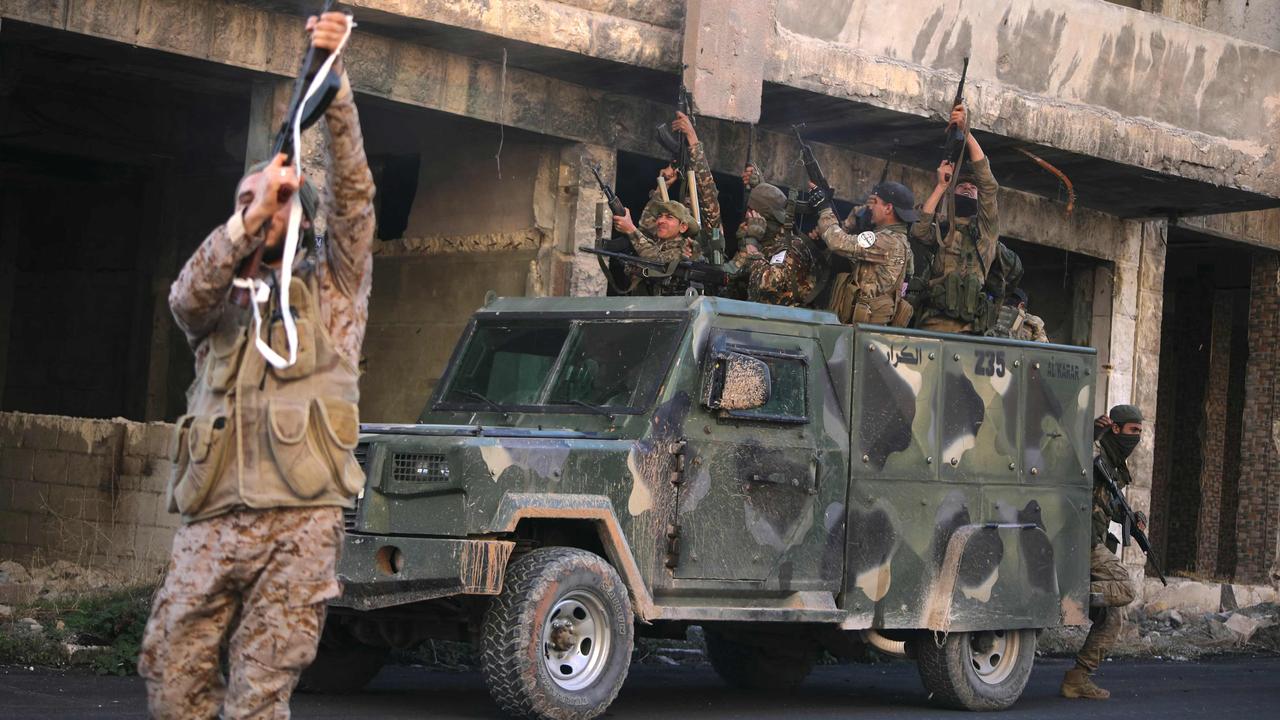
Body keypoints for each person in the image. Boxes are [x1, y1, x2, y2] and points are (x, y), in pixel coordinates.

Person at [137, 11, 375, 718]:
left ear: (297, 208)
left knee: (261, 688)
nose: (257, 211)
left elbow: (357, 201)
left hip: (299, 525)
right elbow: (185, 296)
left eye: (270, 202)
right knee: (173, 672)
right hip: (214, 519)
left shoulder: (332, 290)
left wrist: (337, 95)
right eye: (242, 204)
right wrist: (246, 220)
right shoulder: (218, 303)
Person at [1061, 404, 1144, 700]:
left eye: (1140, 432)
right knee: (1124, 587)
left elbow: (1106, 509)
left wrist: (1130, 519)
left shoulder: (1116, 464)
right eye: (1133, 431)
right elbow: (1069, 459)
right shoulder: (1097, 450)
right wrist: (1093, 432)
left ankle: (1078, 678)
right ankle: (1064, 597)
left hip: (1096, 538)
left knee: (1112, 618)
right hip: (1078, 539)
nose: (1137, 438)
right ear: (1116, 428)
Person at [909, 103, 1000, 333]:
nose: (969, 188)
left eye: (972, 186)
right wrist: (941, 187)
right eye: (962, 186)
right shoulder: (943, 228)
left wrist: (966, 132)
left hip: (971, 326)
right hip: (934, 321)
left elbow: (988, 185)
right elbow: (919, 231)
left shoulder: (986, 229)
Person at [812, 182, 913, 325]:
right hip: (863, 324)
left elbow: (837, 241)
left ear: (888, 208)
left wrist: (824, 208)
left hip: (865, 326)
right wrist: (853, 220)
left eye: (875, 202)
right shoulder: (897, 239)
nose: (870, 207)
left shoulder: (888, 241)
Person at [726, 183, 817, 306]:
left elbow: (769, 284)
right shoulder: (765, 244)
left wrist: (752, 246)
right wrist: (743, 246)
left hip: (784, 320)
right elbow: (732, 282)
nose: (747, 215)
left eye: (751, 211)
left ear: (764, 217)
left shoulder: (792, 247)